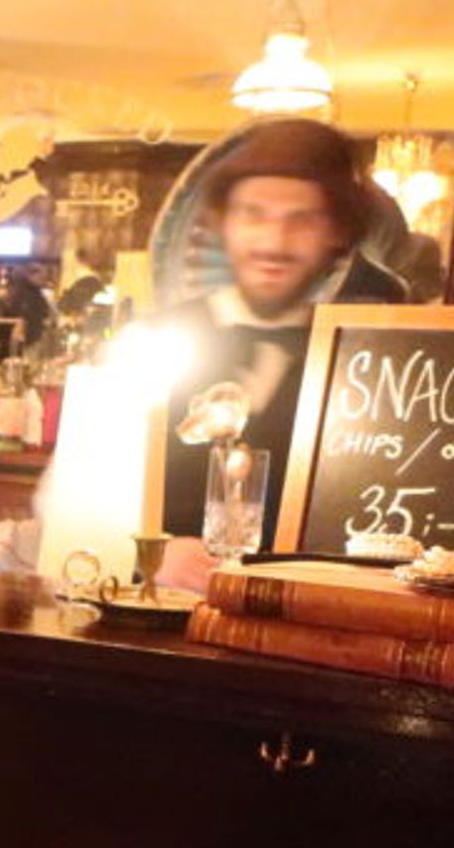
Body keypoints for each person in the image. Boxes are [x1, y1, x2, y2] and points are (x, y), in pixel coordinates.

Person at [155, 117, 407, 589]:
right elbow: (79, 499)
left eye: (301, 220)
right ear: (223, 222)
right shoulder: (152, 341)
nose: (273, 242)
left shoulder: (367, 368)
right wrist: (153, 548)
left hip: (304, 637)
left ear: (337, 233)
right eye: (253, 214)